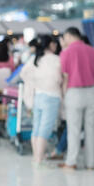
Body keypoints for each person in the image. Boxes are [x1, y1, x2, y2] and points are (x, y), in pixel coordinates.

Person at [58, 27, 94, 171]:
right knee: (91, 130)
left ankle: (71, 162)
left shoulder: (66, 53)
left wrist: (64, 96)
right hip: (92, 92)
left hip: (74, 93)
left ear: (69, 36)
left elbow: (65, 78)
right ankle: (91, 164)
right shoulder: (93, 51)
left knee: (74, 130)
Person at [20, 35, 62, 167]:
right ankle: (39, 160)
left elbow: (23, 74)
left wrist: (35, 81)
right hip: (52, 96)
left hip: (38, 95)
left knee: (37, 127)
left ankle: (36, 157)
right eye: (54, 43)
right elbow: (60, 78)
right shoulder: (56, 59)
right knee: (45, 129)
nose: (55, 46)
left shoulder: (35, 59)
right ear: (50, 45)